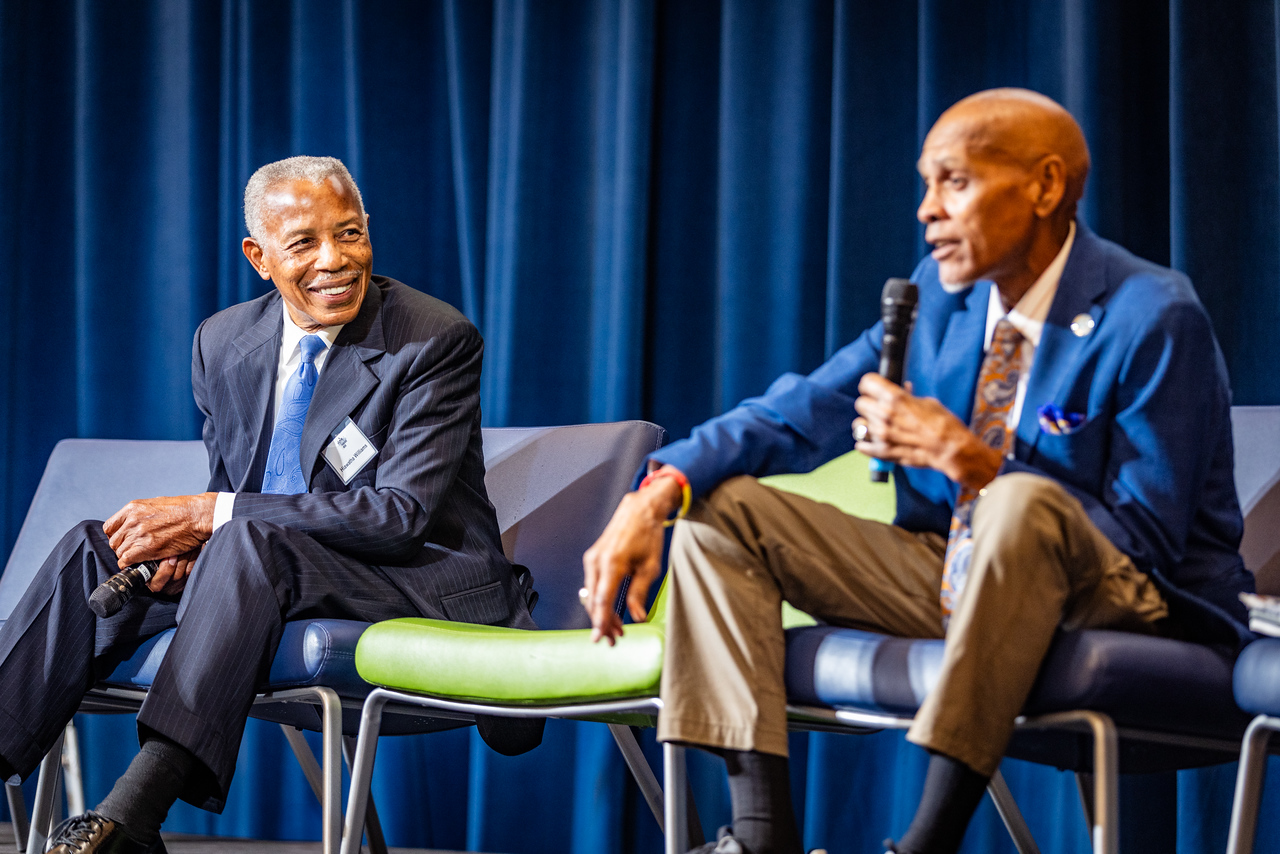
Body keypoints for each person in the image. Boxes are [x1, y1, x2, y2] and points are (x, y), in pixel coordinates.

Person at [582, 89, 1253, 854]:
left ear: (1046, 185)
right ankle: (759, 833)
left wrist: (971, 462)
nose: (927, 210)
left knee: (1015, 505)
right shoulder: (941, 302)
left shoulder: (1152, 315)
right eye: (925, 184)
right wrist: (656, 494)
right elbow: (799, 411)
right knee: (723, 515)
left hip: (1128, 594)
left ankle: (927, 842)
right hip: (954, 571)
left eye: (954, 182)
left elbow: (1146, 543)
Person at [0, 156, 537, 854]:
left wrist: (212, 520)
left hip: (411, 573)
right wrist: (190, 545)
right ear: (259, 256)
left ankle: (134, 813)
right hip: (265, 571)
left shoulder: (431, 339)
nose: (335, 260)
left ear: (368, 229)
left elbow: (401, 514)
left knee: (245, 539)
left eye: (349, 234)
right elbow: (235, 485)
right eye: (304, 243)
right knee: (96, 547)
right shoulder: (223, 342)